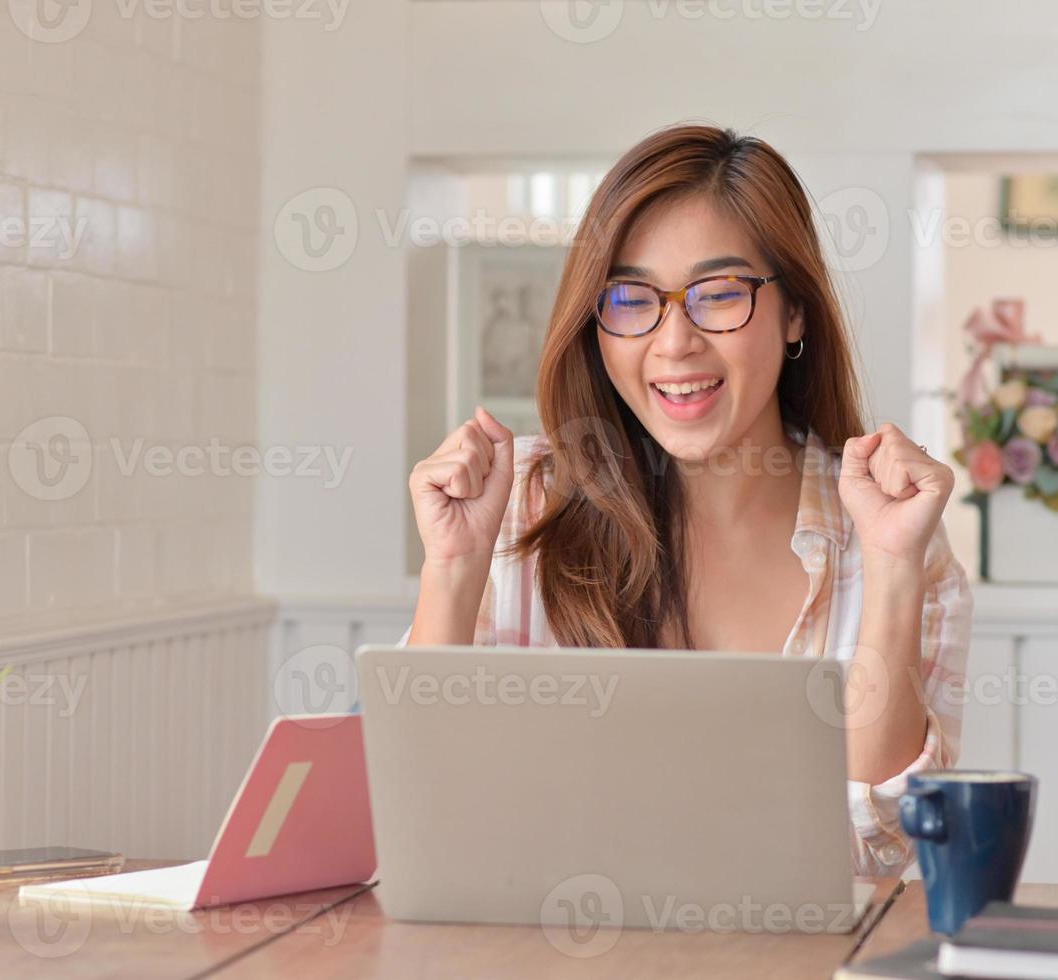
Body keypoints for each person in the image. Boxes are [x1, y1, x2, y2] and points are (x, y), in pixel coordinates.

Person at [404, 124, 971, 876]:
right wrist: (453, 567)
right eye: (632, 299)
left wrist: (894, 567)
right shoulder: (519, 508)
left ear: (794, 311)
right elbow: (421, 809)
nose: (674, 344)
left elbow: (875, 847)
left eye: (719, 295)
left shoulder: (894, 531)